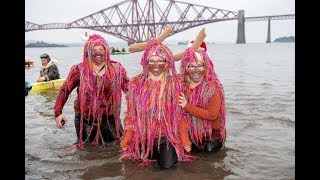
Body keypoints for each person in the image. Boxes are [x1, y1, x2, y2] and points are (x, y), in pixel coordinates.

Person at [119, 26, 194, 168]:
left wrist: (185, 139)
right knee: (136, 170)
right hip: (142, 136)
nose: (156, 65)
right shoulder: (135, 83)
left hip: (165, 138)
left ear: (167, 64)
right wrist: (128, 137)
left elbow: (180, 116)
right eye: (152, 61)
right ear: (145, 63)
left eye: (161, 61)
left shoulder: (176, 83)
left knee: (168, 167)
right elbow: (130, 114)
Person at [54, 34, 129, 148]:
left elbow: (129, 90)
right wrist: (58, 113)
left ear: (106, 51)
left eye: (101, 49)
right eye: (93, 49)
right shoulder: (78, 69)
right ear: (87, 51)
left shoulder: (117, 69)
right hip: (85, 118)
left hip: (110, 117)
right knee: (87, 149)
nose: (98, 52)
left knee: (116, 148)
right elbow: (65, 90)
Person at [177, 36, 227, 153]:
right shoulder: (179, 84)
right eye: (192, 66)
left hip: (211, 132)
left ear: (205, 67)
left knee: (208, 150)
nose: (196, 70)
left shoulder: (213, 87)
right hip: (190, 130)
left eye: (200, 65)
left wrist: (186, 106)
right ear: (186, 68)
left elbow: (212, 115)